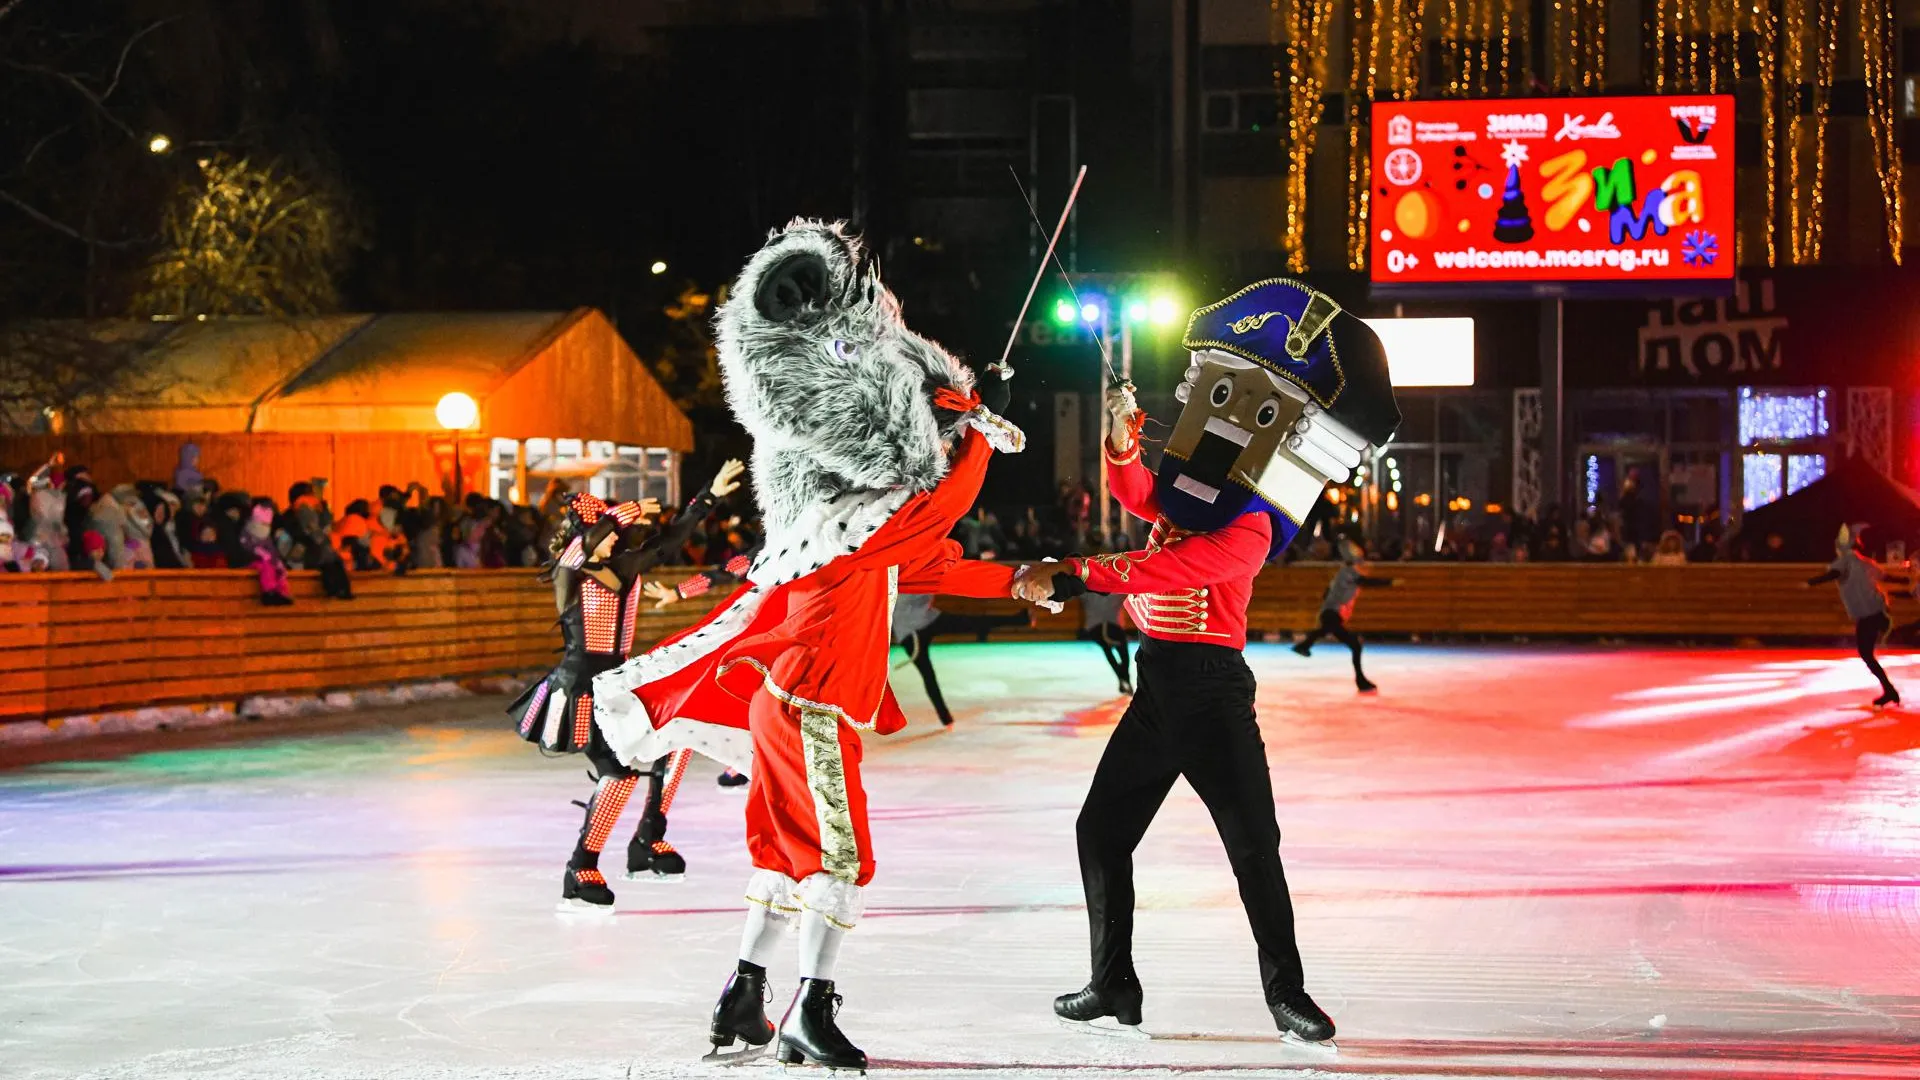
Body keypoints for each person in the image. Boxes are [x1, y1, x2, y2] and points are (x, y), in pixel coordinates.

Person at [591, 221, 1026, 1070]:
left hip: (787, 704)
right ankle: (809, 1013)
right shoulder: (860, 525)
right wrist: (978, 433)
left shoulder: (824, 531)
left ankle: (742, 996)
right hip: (815, 705)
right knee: (841, 860)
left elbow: (931, 557)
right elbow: (934, 517)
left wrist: (1027, 577)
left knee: (785, 855)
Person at [1014, 278, 1400, 1047]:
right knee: (1101, 830)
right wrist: (1124, 434)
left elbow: (1168, 571)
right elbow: (1134, 490)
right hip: (1159, 686)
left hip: (1212, 695)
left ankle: (1287, 994)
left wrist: (1077, 571)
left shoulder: (1250, 523)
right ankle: (1112, 979)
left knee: (1253, 845)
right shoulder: (1194, 496)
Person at [508, 460, 745, 910]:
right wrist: (615, 516)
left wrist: (708, 494)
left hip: (620, 679)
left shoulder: (624, 567)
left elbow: (672, 539)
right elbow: (573, 557)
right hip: (581, 685)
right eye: (606, 530)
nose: (617, 536)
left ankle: (646, 841)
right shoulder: (570, 574)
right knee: (619, 772)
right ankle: (583, 866)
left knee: (669, 746)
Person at [889, 593, 1030, 727]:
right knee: (928, 674)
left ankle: (1021, 619)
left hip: (927, 620)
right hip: (910, 632)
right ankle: (946, 718)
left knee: (970, 623)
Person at [1805, 523, 1905, 708]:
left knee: (1866, 654)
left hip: (1868, 614)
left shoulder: (1846, 561)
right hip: (1876, 611)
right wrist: (1906, 580)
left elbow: (1834, 574)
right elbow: (1887, 577)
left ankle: (1889, 691)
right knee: (1867, 654)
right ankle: (1889, 689)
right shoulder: (1866, 562)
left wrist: (1810, 582)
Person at [1291, 536, 1396, 693]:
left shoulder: (1342, 573)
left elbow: (1326, 594)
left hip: (1331, 614)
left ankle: (1304, 645)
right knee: (1354, 644)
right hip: (1332, 614)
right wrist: (1389, 582)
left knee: (1336, 635)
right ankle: (1360, 681)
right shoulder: (1349, 572)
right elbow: (1364, 582)